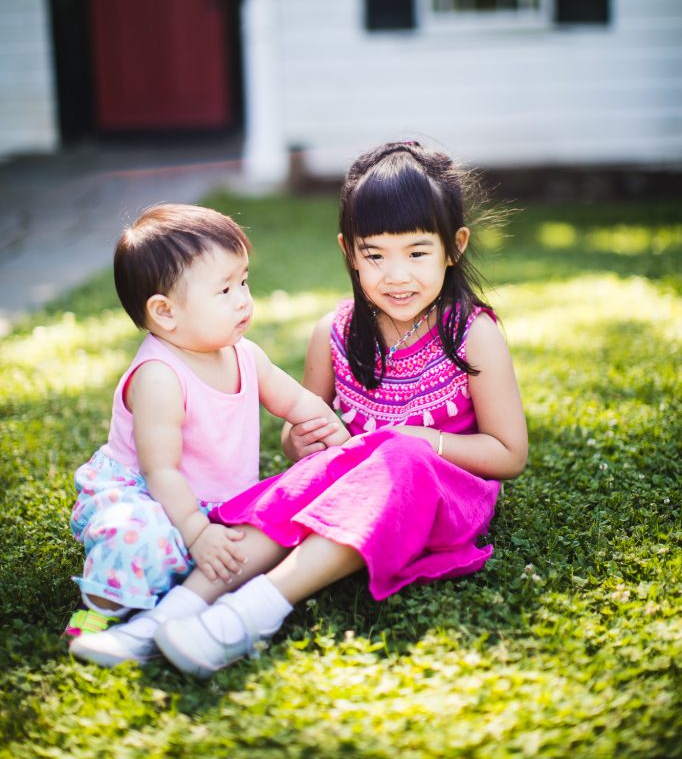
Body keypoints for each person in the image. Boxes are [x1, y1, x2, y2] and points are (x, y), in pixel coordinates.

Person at [76, 141, 528, 676]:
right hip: (344, 492)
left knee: (393, 460)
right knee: (320, 476)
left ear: (454, 247)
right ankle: (168, 617)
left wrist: (418, 440)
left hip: (438, 498)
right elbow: (303, 442)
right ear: (348, 252)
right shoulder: (334, 333)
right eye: (375, 255)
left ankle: (250, 613)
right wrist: (300, 443)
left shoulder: (473, 334)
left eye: (417, 252)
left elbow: (509, 454)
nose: (396, 275)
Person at [66, 203, 349, 666]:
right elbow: (161, 472)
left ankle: (180, 593)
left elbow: (298, 404)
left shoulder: (244, 353)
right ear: (166, 312)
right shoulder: (159, 376)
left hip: (214, 498)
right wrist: (197, 532)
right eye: (223, 289)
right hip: (150, 494)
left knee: (265, 530)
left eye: (243, 282)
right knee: (143, 539)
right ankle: (101, 612)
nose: (242, 299)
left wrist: (336, 438)